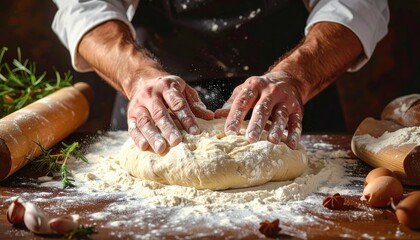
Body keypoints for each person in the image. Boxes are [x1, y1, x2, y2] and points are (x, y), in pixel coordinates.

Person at [52, 0, 389, 153]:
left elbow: (359, 3)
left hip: (292, 105)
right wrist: (138, 76)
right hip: (157, 109)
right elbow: (84, 4)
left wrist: (295, 77)